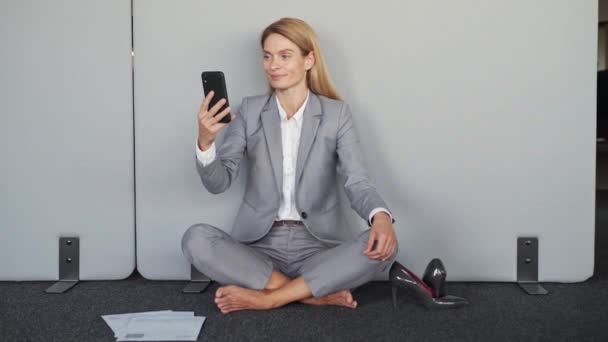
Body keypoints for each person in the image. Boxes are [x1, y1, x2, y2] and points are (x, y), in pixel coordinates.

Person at [181, 17, 398, 314]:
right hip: (258, 247)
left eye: (285, 56)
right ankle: (311, 294)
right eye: (267, 56)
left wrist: (381, 218)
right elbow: (219, 182)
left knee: (385, 246)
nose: (273, 65)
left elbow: (357, 182)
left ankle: (269, 297)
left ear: (309, 60)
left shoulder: (336, 115)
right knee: (196, 239)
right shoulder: (250, 111)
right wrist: (206, 143)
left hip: (319, 247)